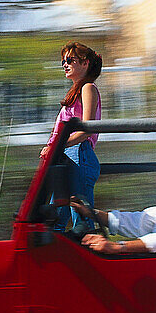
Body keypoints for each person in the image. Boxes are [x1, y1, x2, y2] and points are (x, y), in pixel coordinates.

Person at [40, 42, 102, 232]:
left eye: (69, 60)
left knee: (81, 221)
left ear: (85, 63)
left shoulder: (88, 88)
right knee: (56, 220)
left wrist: (58, 145)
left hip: (79, 155)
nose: (65, 65)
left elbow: (87, 129)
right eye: (63, 62)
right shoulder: (73, 93)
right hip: (66, 157)